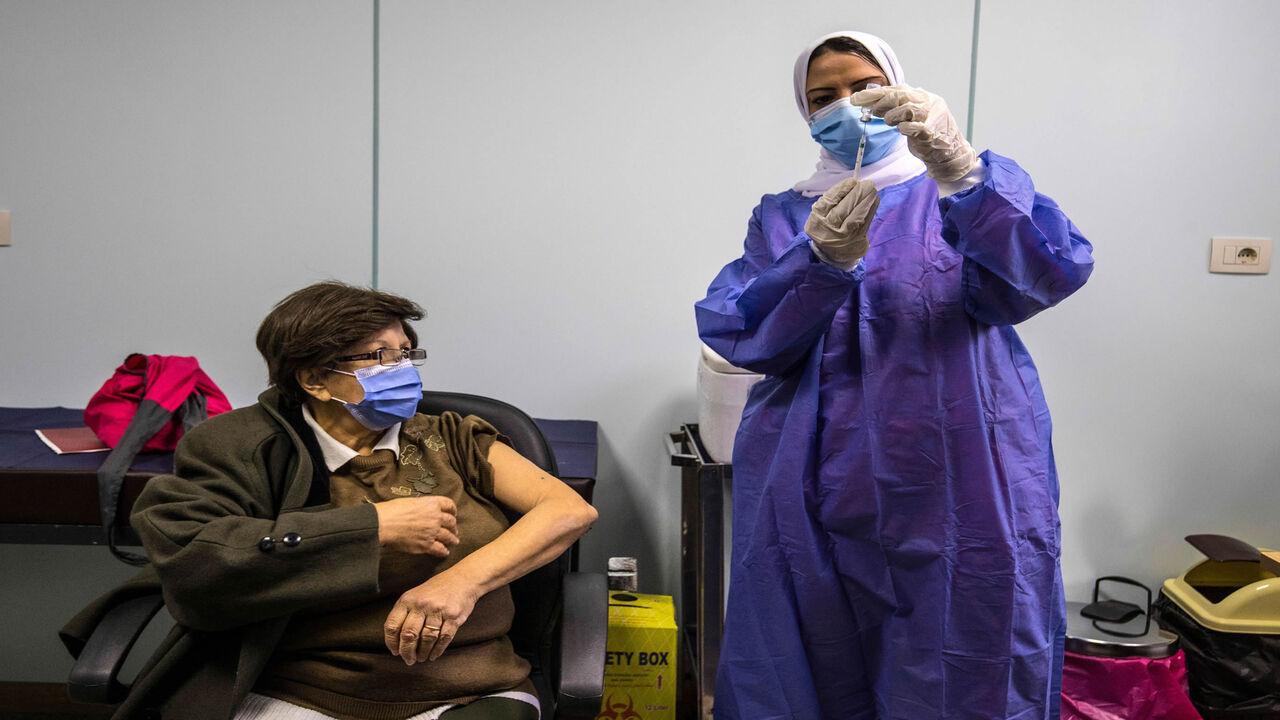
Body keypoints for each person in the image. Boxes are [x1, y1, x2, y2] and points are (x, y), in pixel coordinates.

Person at [695, 31, 1094, 719]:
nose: (846, 106)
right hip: (810, 473)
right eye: (823, 98)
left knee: (964, 647)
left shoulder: (959, 191)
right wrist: (817, 261)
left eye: (863, 87)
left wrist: (966, 178)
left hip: (959, 469)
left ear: (900, 87)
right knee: (803, 656)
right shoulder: (789, 215)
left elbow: (1047, 272)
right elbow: (741, 333)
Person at [69, 281, 598, 720]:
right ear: (316, 379)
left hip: (470, 686)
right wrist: (372, 528)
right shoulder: (243, 447)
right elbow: (197, 559)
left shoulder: (451, 437)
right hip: (299, 687)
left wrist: (459, 583)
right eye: (377, 357)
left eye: (405, 353)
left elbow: (568, 510)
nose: (402, 370)